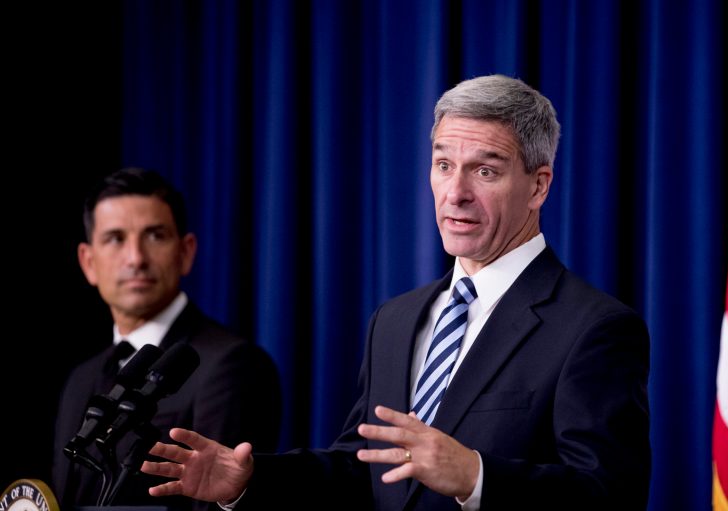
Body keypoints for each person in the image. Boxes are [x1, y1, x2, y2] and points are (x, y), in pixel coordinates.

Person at [141, 75, 651, 510]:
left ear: (539, 186)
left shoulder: (594, 328)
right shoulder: (397, 319)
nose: (456, 193)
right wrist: (249, 481)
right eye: (444, 164)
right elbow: (359, 470)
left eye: (486, 170)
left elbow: (611, 494)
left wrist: (475, 477)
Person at [51, 167, 282, 511]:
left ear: (186, 252)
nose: (136, 258)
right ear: (88, 262)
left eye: (155, 235)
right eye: (115, 238)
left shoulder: (232, 364)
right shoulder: (80, 377)